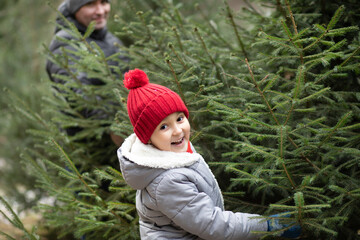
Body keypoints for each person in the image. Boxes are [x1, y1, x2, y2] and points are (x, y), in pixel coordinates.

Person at [117, 69, 301, 239]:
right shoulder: (168, 181)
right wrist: (267, 225)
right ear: (148, 138)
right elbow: (213, 225)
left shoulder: (172, 152)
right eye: (163, 126)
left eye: (180, 119)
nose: (177, 131)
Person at [46, 0, 127, 144]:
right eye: (90, 4)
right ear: (75, 9)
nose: (101, 11)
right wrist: (115, 127)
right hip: (89, 149)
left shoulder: (109, 39)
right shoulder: (65, 44)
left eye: (104, 2)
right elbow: (79, 94)